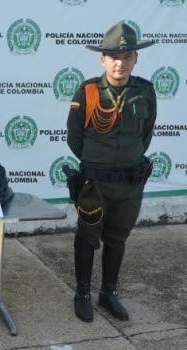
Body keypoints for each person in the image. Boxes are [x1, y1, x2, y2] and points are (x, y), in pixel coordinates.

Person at [66, 23, 156, 323]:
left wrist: (124, 161)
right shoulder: (88, 91)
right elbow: (74, 137)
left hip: (129, 185)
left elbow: (145, 134)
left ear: (135, 59)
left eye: (127, 55)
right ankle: (82, 293)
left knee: (117, 238)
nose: (120, 62)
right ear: (102, 59)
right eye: (113, 56)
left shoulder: (145, 92)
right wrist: (99, 162)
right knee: (88, 237)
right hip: (96, 184)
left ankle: (108, 293)